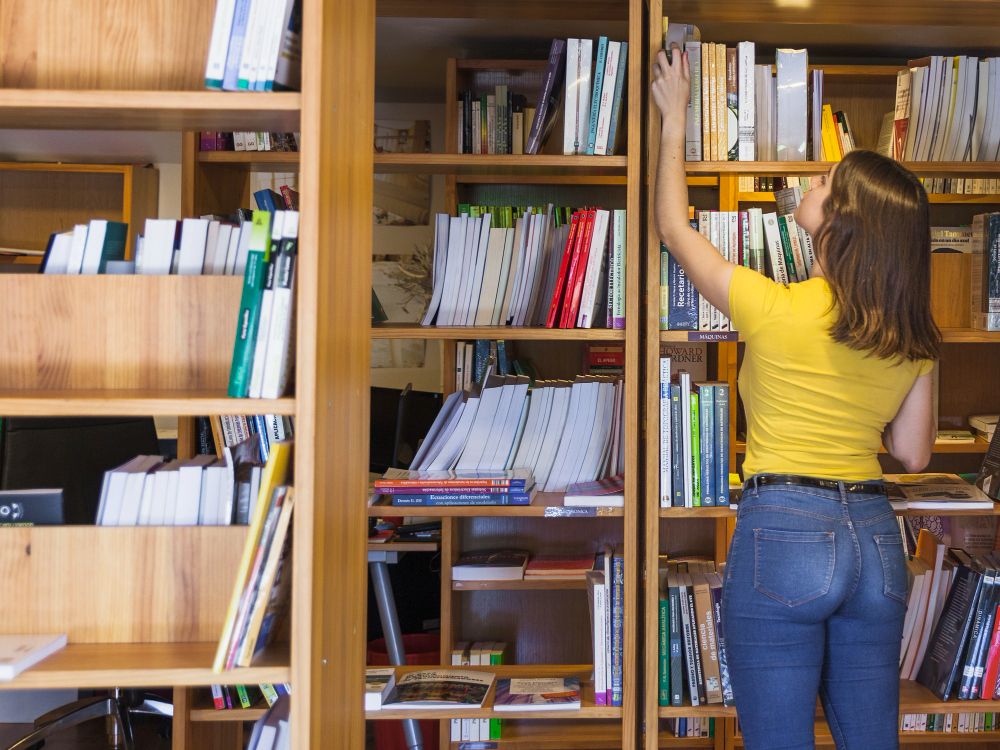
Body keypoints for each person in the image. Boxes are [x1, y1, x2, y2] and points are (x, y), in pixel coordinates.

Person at [652, 45, 939, 750]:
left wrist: (673, 118)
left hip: (783, 528)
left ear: (840, 221)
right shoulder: (912, 337)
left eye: (828, 180)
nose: (814, 178)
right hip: (875, 541)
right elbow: (910, 452)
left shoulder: (771, 306)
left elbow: (673, 229)